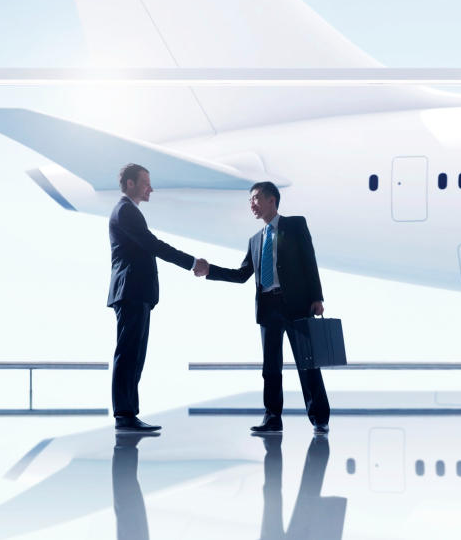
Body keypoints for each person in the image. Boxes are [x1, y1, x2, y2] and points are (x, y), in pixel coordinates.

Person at [198, 182, 330, 434]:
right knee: (270, 368)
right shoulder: (254, 240)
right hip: (268, 308)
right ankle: (272, 419)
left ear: (272, 200)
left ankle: (320, 419)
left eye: (256, 198)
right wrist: (210, 270)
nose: (252, 204)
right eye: (250, 200)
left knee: (308, 363)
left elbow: (309, 260)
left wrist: (316, 297)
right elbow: (242, 274)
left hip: (296, 305)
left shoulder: (295, 225)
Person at [108, 163, 209, 432]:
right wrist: (192, 262)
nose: (150, 189)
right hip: (131, 292)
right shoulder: (125, 211)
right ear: (130, 183)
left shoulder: (129, 211)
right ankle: (124, 415)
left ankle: (129, 414)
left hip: (137, 293)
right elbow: (154, 246)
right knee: (128, 354)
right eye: (145, 183)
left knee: (135, 355)